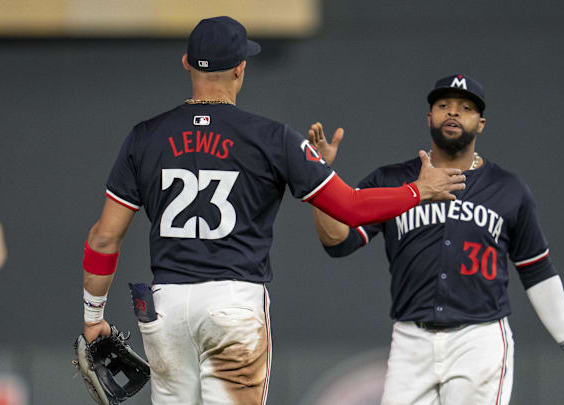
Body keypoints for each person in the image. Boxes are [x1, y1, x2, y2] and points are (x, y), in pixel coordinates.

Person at [78, 17, 466, 405]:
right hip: (233, 306)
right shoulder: (270, 137)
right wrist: (418, 190)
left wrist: (94, 318)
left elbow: (105, 236)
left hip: (166, 308)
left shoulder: (145, 136)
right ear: (240, 68)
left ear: (187, 63)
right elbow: (350, 207)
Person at [308, 74, 564, 404]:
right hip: (410, 340)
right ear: (428, 117)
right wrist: (318, 181)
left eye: (465, 107)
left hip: (479, 340)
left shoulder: (508, 189)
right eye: (443, 105)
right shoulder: (391, 180)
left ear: (481, 123)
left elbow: (537, 272)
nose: (453, 113)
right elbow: (338, 241)